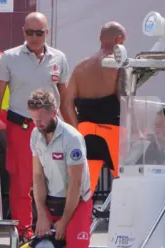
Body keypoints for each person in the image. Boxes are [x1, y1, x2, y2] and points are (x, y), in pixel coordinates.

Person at [0, 12, 71, 241]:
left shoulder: (59, 58)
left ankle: (55, 229)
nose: (34, 37)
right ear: (23, 31)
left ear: (47, 33)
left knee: (56, 179)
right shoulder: (9, 57)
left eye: (39, 32)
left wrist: (75, 130)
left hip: (53, 130)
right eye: (30, 32)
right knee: (22, 182)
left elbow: (65, 97)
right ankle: (25, 232)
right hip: (21, 127)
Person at [29, 89, 92, 248]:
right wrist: (41, 214)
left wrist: (64, 221)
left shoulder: (72, 138)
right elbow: (37, 176)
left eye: (40, 118)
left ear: (54, 112)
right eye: (33, 118)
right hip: (51, 200)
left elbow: (75, 183)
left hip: (77, 203)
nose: (37, 123)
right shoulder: (35, 135)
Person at [63, 21, 128, 195]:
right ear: (119, 39)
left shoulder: (80, 67)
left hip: (85, 133)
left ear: (100, 38)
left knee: (84, 189)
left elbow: (66, 102)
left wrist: (76, 127)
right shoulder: (117, 63)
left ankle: (81, 221)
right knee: (126, 183)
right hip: (113, 132)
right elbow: (125, 98)